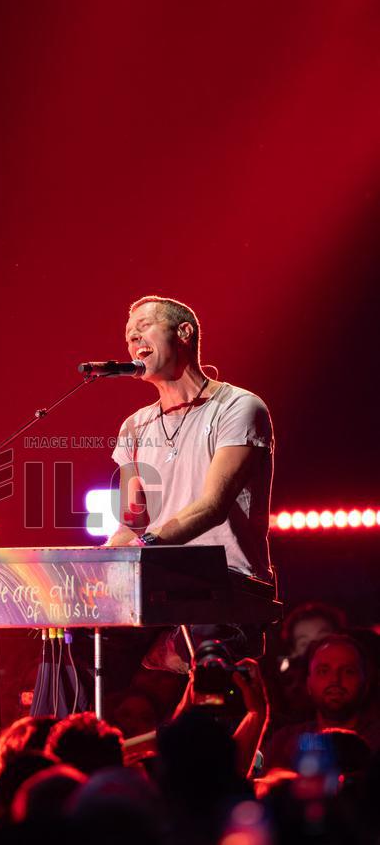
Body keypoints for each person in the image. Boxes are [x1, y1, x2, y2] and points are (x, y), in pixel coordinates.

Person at [106, 294, 275, 672]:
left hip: (225, 584)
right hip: (157, 586)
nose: (134, 340)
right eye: (129, 335)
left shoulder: (238, 407)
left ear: (185, 332)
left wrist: (144, 548)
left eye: (143, 327)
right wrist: (92, 573)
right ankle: (58, 733)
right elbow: (131, 524)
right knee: (74, 641)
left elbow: (212, 506)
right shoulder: (135, 426)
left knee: (204, 653)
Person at [263, 635, 380, 770]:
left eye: (348, 671)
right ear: (308, 683)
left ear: (365, 683)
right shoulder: (284, 741)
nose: (335, 680)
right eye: (323, 671)